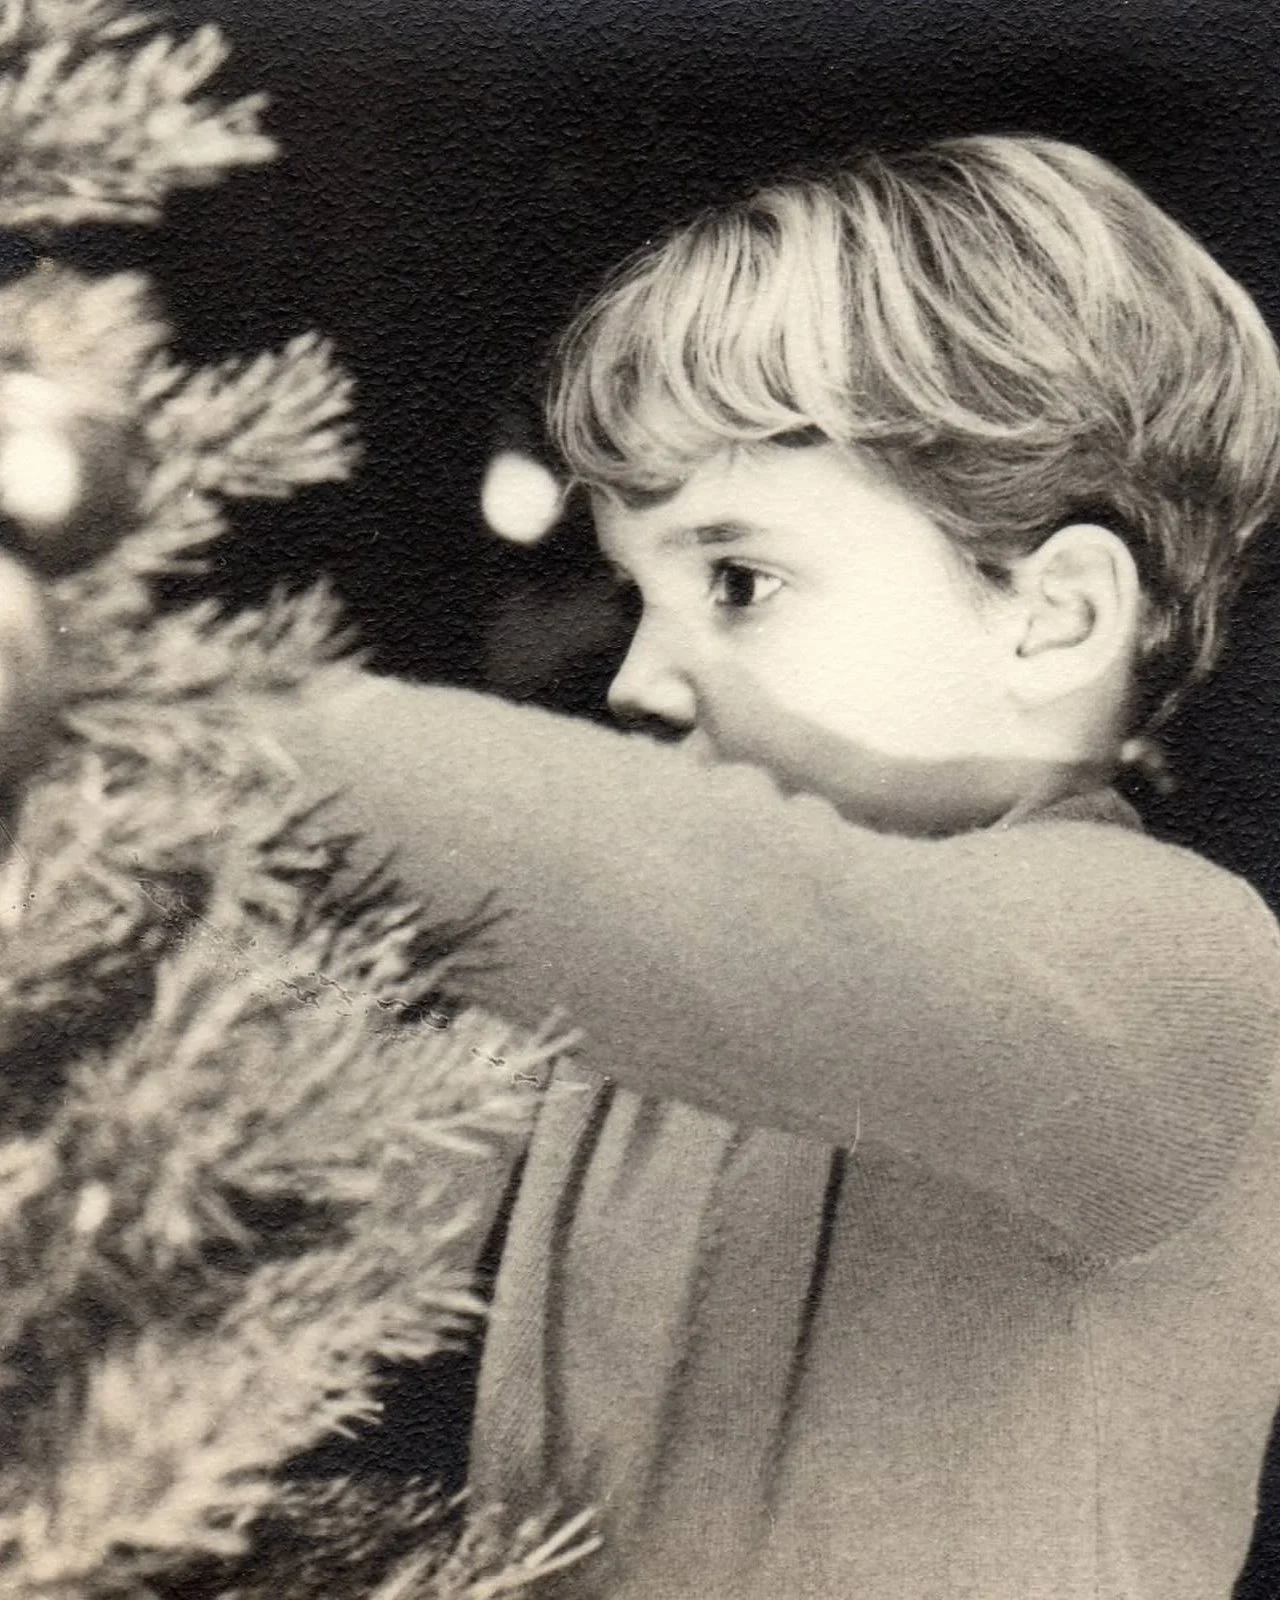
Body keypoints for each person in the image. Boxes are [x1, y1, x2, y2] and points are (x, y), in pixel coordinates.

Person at [194, 137, 1280, 1594]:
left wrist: (183, 713)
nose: (640, 676)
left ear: (1055, 616)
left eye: (737, 581)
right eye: (638, 593)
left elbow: (778, 928)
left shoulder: (1179, 970)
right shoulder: (616, 1028)